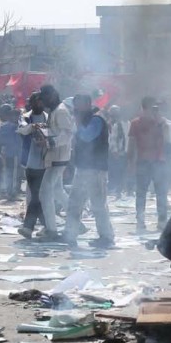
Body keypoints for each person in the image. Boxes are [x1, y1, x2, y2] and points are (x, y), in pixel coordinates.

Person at [63, 95, 115, 248]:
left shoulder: (96, 120)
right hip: (82, 168)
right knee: (75, 203)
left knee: (98, 204)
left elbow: (86, 137)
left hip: (96, 169)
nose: (76, 109)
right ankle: (70, 234)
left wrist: (78, 122)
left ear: (87, 104)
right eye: (75, 106)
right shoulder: (82, 121)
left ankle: (106, 237)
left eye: (78, 105)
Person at [128, 96, 170, 233]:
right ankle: (142, 221)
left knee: (159, 193)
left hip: (158, 161)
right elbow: (132, 144)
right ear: (145, 107)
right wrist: (131, 162)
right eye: (153, 107)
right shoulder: (136, 123)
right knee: (142, 193)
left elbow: (167, 141)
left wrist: (160, 123)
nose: (155, 109)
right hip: (145, 162)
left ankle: (160, 222)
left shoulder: (161, 122)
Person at [39, 85, 74, 239]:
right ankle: (77, 222)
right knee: (58, 191)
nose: (43, 100)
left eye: (45, 96)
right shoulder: (54, 111)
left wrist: (49, 143)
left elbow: (67, 134)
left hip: (58, 156)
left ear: (53, 95)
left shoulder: (60, 111)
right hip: (55, 156)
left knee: (45, 193)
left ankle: (52, 230)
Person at [17, 92, 48, 238]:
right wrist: (33, 126)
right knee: (35, 196)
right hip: (30, 162)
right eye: (36, 101)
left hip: (46, 161)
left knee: (38, 196)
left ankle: (30, 227)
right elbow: (22, 129)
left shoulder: (49, 117)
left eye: (41, 101)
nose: (39, 104)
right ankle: (45, 226)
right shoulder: (25, 117)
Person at [0, 104, 22, 200]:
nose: (15, 117)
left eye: (17, 115)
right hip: (13, 153)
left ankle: (11, 192)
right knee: (13, 174)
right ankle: (12, 193)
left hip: (14, 153)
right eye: (13, 115)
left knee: (12, 173)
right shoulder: (12, 126)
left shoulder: (18, 126)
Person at [107, 105, 128, 198]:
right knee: (116, 171)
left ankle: (121, 189)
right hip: (116, 152)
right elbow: (113, 138)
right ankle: (116, 190)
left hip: (125, 151)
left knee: (123, 171)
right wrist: (115, 150)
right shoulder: (113, 124)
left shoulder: (127, 124)